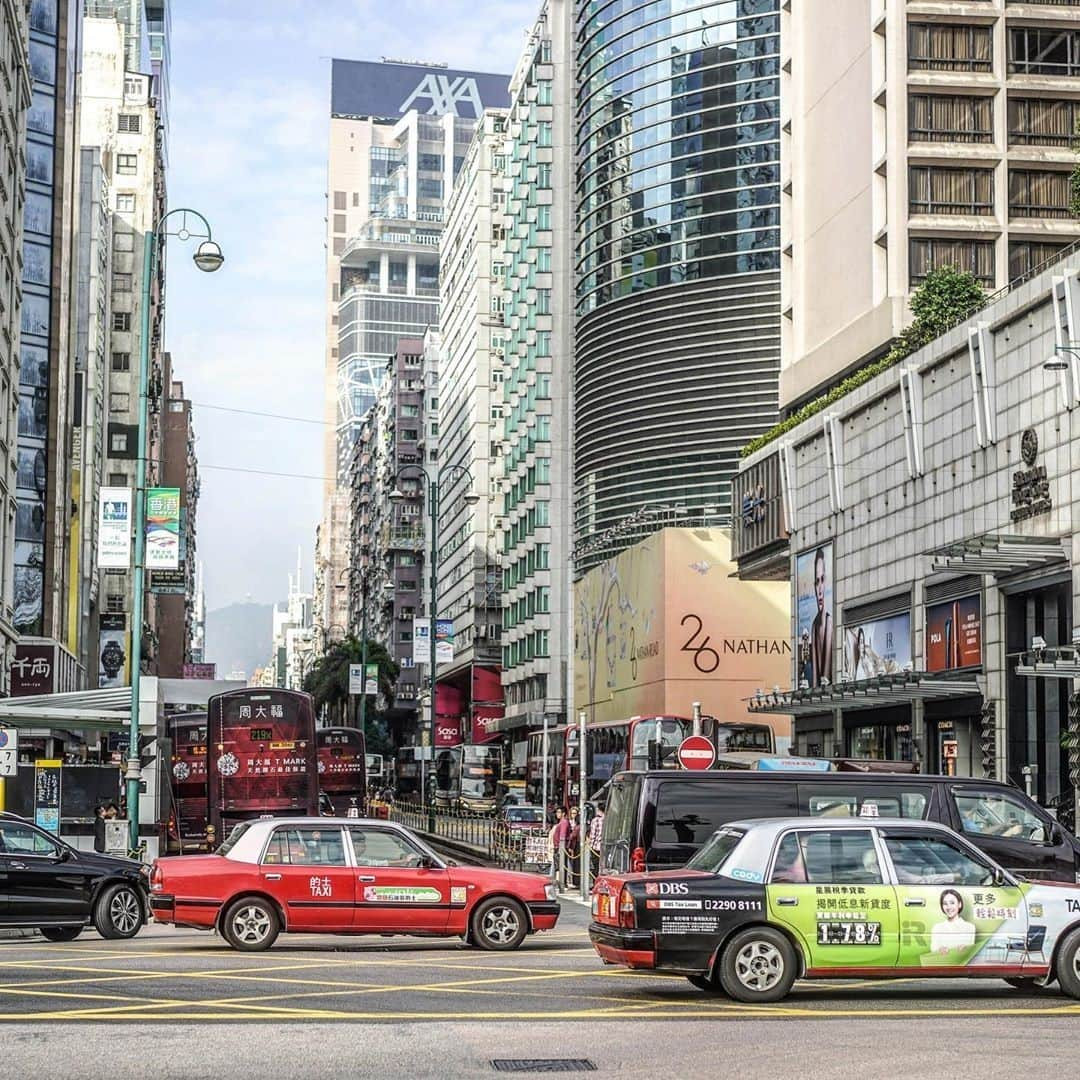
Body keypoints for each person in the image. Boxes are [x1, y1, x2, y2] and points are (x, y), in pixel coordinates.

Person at [810, 546, 832, 686]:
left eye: (822, 580)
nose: (819, 590)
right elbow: (814, 680)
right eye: (816, 581)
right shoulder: (814, 625)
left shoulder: (830, 622)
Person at [930, 889, 977, 954]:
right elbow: (933, 948)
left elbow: (971, 951)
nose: (949, 907)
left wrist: (966, 948)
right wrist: (939, 949)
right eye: (945, 904)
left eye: (952, 903)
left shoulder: (970, 927)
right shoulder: (937, 927)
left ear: (959, 904)